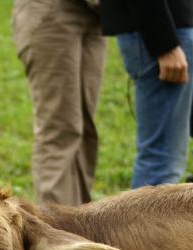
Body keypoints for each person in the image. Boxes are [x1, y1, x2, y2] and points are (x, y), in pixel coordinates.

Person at [12, 0, 106, 206]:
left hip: (95, 18)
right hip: (52, 13)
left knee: (85, 131)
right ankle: (55, 228)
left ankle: (80, 223)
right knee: (60, 129)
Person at [100, 0, 193, 188]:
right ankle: (144, 218)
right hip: (165, 32)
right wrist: (164, 43)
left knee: (165, 161)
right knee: (162, 166)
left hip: (176, 27)